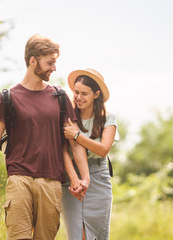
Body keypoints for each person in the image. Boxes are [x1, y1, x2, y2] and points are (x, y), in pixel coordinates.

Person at [0, 34, 90, 240]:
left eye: (55, 62)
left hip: (51, 182)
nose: (54, 68)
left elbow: (75, 143)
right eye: (50, 63)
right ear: (32, 61)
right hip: (19, 180)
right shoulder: (9, 98)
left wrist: (82, 178)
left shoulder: (60, 97)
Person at [62, 68, 118, 240]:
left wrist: (77, 136)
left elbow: (103, 149)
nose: (79, 97)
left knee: (97, 235)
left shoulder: (108, 118)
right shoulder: (68, 117)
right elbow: (63, 151)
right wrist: (73, 177)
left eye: (84, 93)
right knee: (77, 234)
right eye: (76, 92)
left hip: (98, 177)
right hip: (71, 177)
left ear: (96, 94)